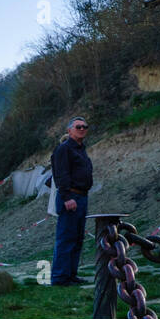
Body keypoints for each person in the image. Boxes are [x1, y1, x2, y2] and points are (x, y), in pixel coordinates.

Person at [50, 116, 93, 286]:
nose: (82, 129)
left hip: (81, 196)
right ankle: (60, 277)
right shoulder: (64, 149)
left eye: (84, 126)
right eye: (78, 127)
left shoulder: (81, 149)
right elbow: (61, 174)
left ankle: (71, 275)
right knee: (66, 238)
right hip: (71, 197)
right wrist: (67, 197)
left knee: (77, 239)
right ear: (69, 130)